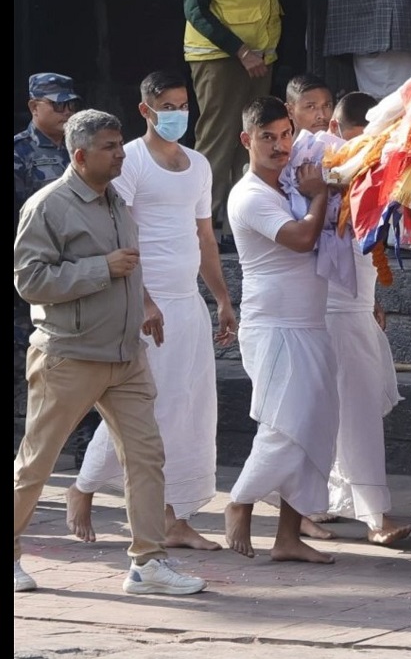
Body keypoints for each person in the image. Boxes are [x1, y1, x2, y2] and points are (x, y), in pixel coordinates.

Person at [14, 109, 207, 596]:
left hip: (126, 355)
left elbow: (131, 268)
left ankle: (148, 563)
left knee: (146, 457)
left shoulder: (116, 200)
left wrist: (143, 305)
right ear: (79, 155)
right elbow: (30, 281)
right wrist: (100, 268)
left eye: (120, 145)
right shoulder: (48, 206)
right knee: (37, 461)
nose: (122, 154)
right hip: (70, 355)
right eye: (110, 147)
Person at [66, 72, 237, 552]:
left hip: (188, 302)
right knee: (144, 406)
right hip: (144, 302)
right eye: (167, 104)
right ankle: (83, 487)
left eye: (183, 104)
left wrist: (221, 299)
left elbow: (205, 236)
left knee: (190, 406)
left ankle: (176, 514)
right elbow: (118, 233)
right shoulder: (132, 161)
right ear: (146, 109)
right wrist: (143, 301)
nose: (177, 113)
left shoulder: (200, 164)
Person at [287, 82, 408, 547]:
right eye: (310, 109)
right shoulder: (310, 156)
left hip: (353, 294)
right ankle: (374, 514)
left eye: (323, 108)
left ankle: (323, 501)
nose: (318, 119)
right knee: (350, 405)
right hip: (330, 300)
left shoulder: (353, 157)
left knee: (340, 407)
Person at [223, 96, 338, 564]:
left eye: (286, 135)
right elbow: (301, 239)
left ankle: (288, 537)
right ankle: (239, 501)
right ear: (247, 141)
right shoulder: (249, 195)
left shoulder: (288, 185)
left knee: (311, 426)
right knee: (283, 427)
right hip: (273, 324)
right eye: (267, 137)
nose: (279, 146)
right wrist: (321, 194)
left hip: (310, 321)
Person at [179, 0, 304, 245]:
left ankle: (236, 223)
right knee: (217, 143)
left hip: (255, 56)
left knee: (248, 141)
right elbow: (195, 9)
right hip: (223, 59)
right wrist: (239, 50)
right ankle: (201, 230)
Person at [15, 73, 81, 217]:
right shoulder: (18, 151)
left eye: (71, 105)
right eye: (58, 105)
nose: (67, 112)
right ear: (34, 107)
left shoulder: (80, 146)